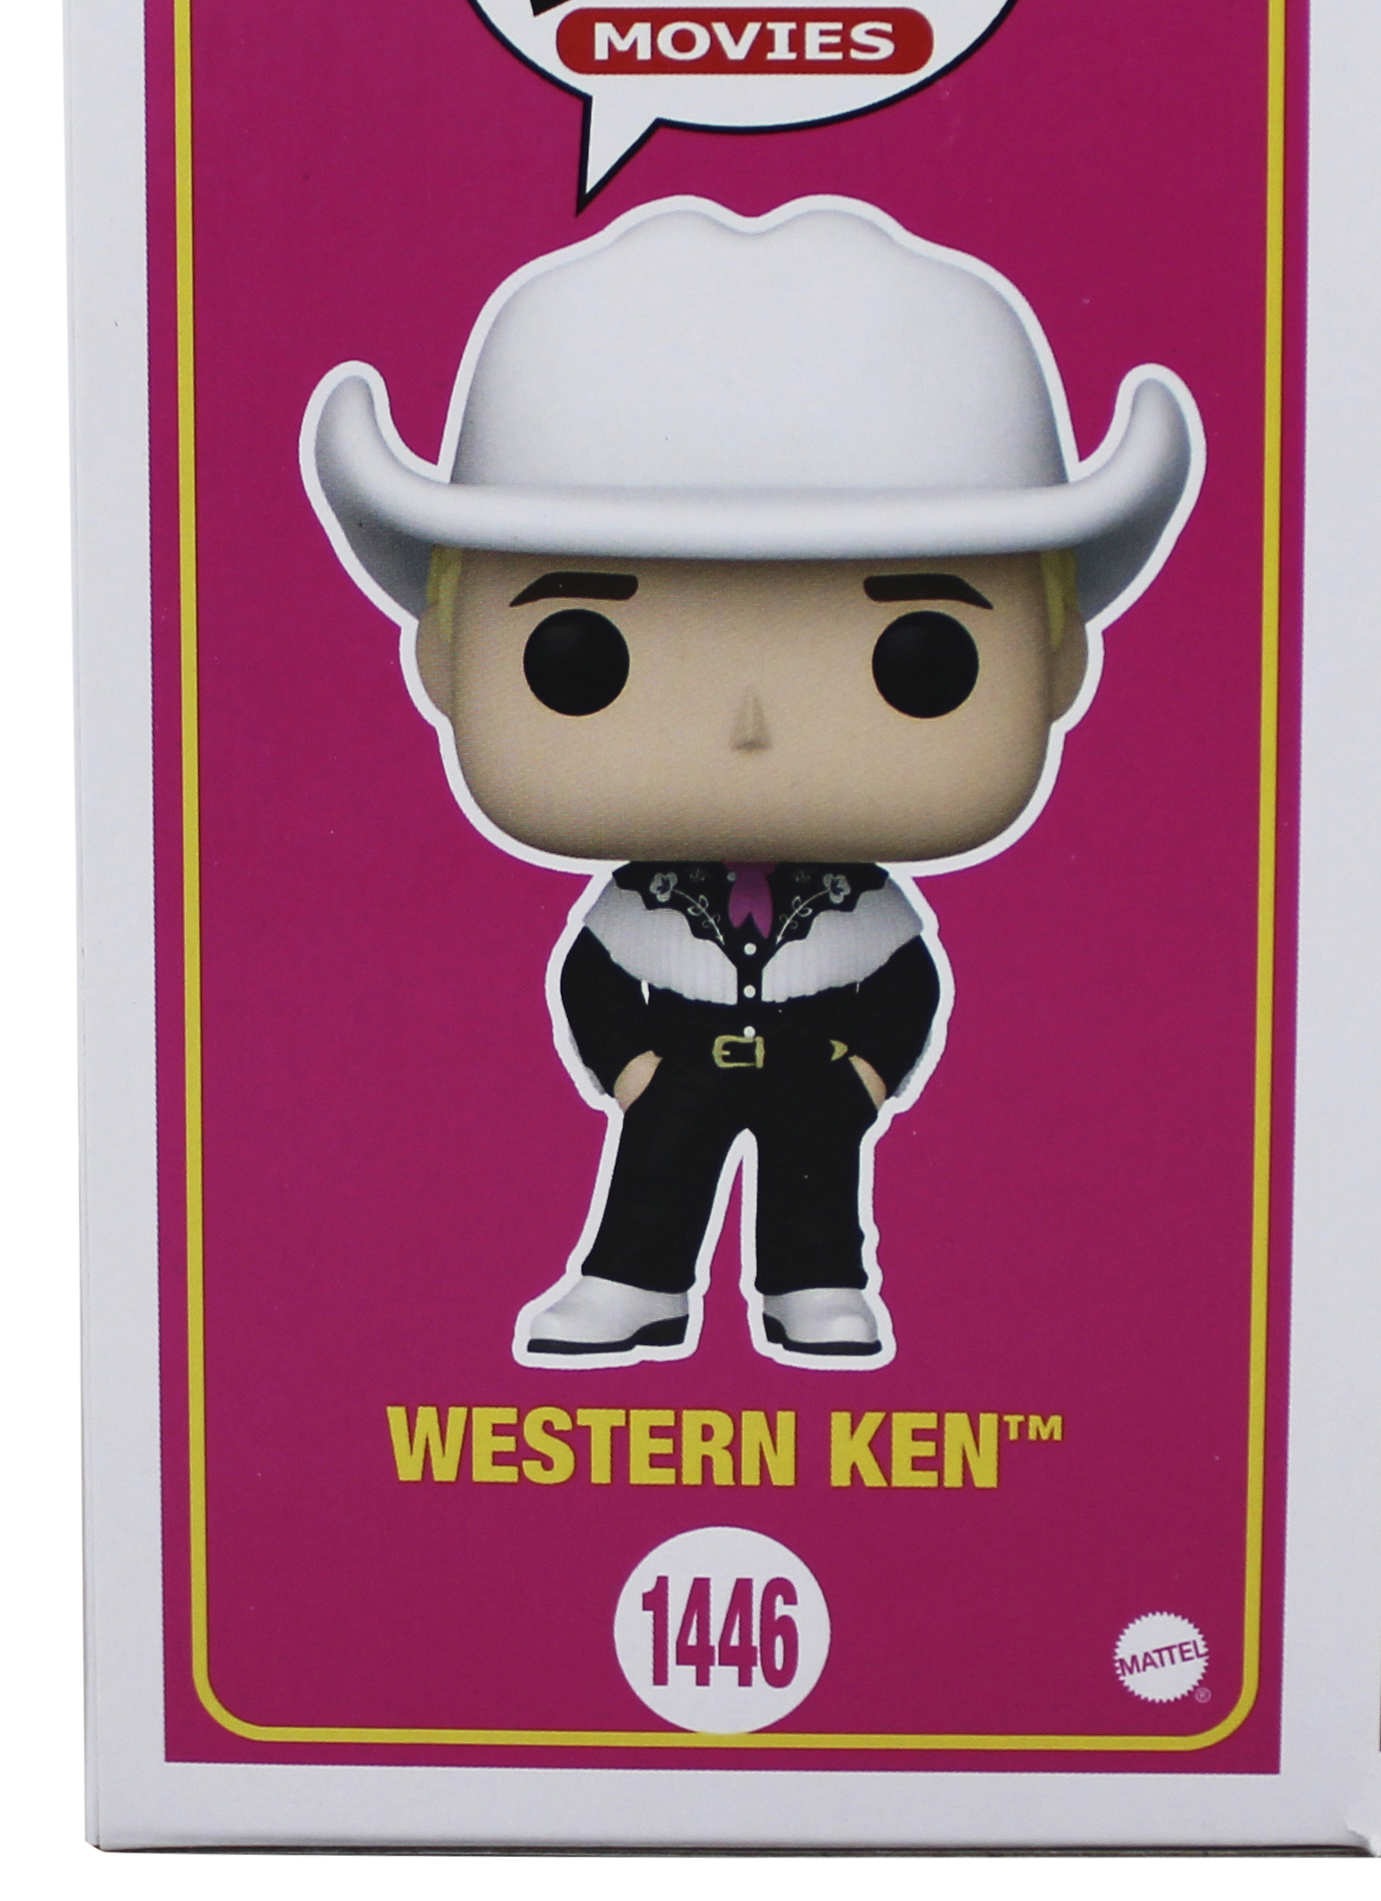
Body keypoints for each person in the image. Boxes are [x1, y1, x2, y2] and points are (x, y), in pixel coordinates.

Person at [305, 199, 1200, 1364]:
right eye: (581, 657)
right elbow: (593, 975)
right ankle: (633, 1282)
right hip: (673, 1058)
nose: (750, 726)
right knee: (655, 1171)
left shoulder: (863, 915)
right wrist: (628, 1061)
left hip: (817, 1065)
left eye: (920, 659)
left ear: (1060, 656)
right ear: (441, 653)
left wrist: (865, 1069)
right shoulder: (642, 910)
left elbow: (905, 983)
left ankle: (816, 1285)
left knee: (816, 1187)